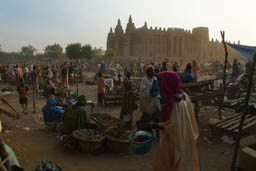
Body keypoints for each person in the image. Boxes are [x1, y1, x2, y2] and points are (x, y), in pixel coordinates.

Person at [153, 71, 199, 171]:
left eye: (162, 84)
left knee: (173, 164)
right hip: (186, 137)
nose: (160, 87)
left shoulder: (173, 104)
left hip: (175, 143)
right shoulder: (185, 96)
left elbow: (173, 127)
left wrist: (160, 125)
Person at [139, 66, 161, 132]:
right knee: (146, 119)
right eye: (151, 71)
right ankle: (144, 132)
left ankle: (157, 133)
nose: (152, 72)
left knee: (157, 118)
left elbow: (157, 90)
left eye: (153, 71)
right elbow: (142, 92)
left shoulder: (155, 79)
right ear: (147, 72)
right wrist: (150, 91)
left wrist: (159, 96)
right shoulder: (144, 80)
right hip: (147, 103)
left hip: (155, 101)